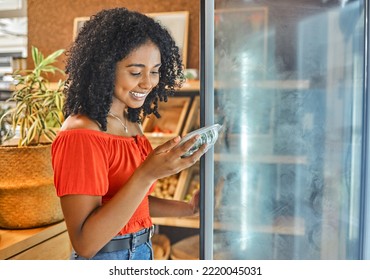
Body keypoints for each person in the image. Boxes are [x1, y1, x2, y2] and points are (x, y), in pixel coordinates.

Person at [51, 7, 206, 260]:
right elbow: (85, 243)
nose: (147, 83)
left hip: (142, 250)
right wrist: (148, 173)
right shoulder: (80, 136)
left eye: (155, 70)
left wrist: (189, 209)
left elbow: (130, 203)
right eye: (135, 72)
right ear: (104, 69)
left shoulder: (130, 122)